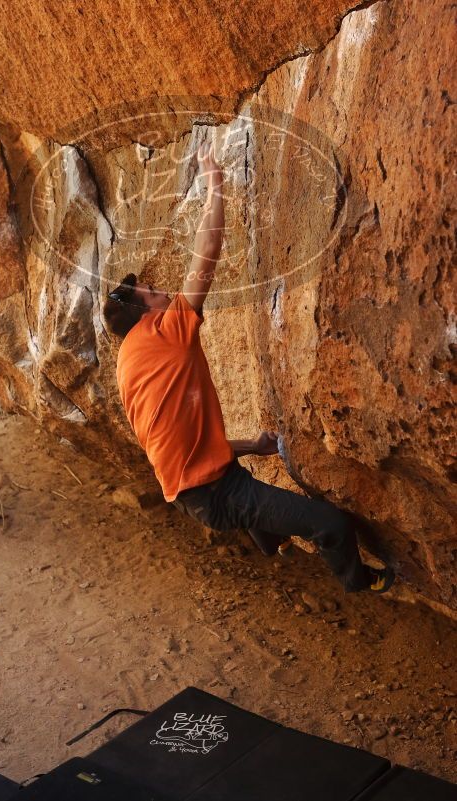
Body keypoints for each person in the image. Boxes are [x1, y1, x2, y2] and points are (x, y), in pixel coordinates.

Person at [102, 142, 395, 595]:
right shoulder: (166, 329)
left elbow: (178, 442)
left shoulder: (129, 360)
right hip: (218, 496)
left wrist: (251, 446)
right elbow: (209, 247)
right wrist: (214, 179)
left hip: (195, 490)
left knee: (249, 494)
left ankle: (269, 541)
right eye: (152, 292)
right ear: (147, 314)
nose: (162, 291)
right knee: (331, 524)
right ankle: (361, 581)